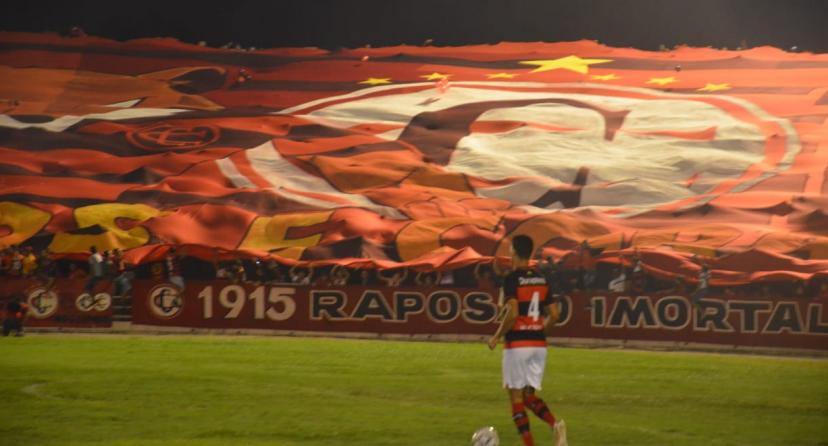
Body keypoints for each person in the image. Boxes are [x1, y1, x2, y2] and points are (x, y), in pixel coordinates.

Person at [487, 235, 567, 446]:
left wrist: (497, 335)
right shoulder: (543, 279)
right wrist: (540, 333)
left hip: (518, 345)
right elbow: (556, 315)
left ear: (513, 251)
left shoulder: (512, 279)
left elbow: (512, 313)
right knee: (529, 396)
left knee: (516, 399)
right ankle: (556, 425)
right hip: (538, 345)